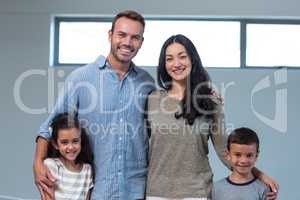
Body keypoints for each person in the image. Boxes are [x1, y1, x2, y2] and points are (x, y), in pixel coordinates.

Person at [33, 10, 155, 200]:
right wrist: (37, 164)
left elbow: (158, 126)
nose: (128, 43)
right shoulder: (81, 78)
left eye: (135, 37)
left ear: (141, 42)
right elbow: (49, 126)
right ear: (110, 35)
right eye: (122, 35)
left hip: (137, 190)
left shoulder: (146, 82)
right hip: (96, 190)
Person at [145, 34, 278, 200]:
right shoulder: (152, 100)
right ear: (164, 65)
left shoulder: (210, 102)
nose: (176, 64)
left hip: (196, 193)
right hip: (156, 193)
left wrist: (259, 175)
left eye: (182, 57)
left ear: (192, 60)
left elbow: (225, 150)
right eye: (169, 59)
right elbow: (142, 149)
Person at [43, 112, 94, 200]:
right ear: (55, 144)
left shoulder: (87, 170)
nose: (70, 147)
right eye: (64, 142)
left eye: (75, 141)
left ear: (80, 140)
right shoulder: (51, 165)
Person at [212, 127, 271, 200]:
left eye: (249, 155)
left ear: (256, 156)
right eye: (237, 155)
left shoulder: (263, 189)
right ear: (228, 155)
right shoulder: (216, 188)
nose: (243, 161)